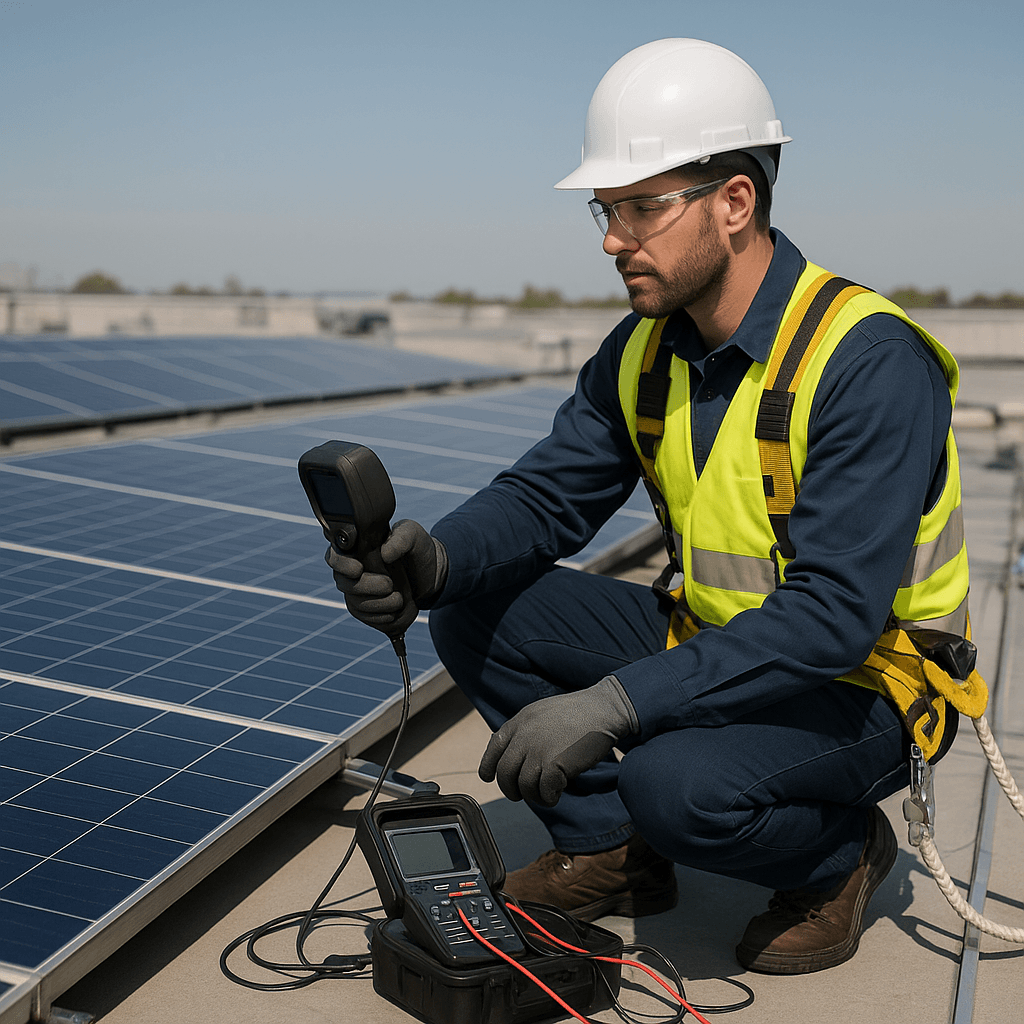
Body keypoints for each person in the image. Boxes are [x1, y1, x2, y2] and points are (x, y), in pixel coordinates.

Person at [328, 38, 971, 974]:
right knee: (476, 600)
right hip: (717, 638)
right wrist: (431, 563)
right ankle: (610, 851)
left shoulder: (866, 362)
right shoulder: (645, 349)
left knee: (676, 788)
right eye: (607, 208)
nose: (611, 237)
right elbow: (547, 494)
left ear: (736, 202)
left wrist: (619, 704)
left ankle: (839, 859)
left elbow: (835, 617)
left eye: (642, 207)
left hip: (872, 681)